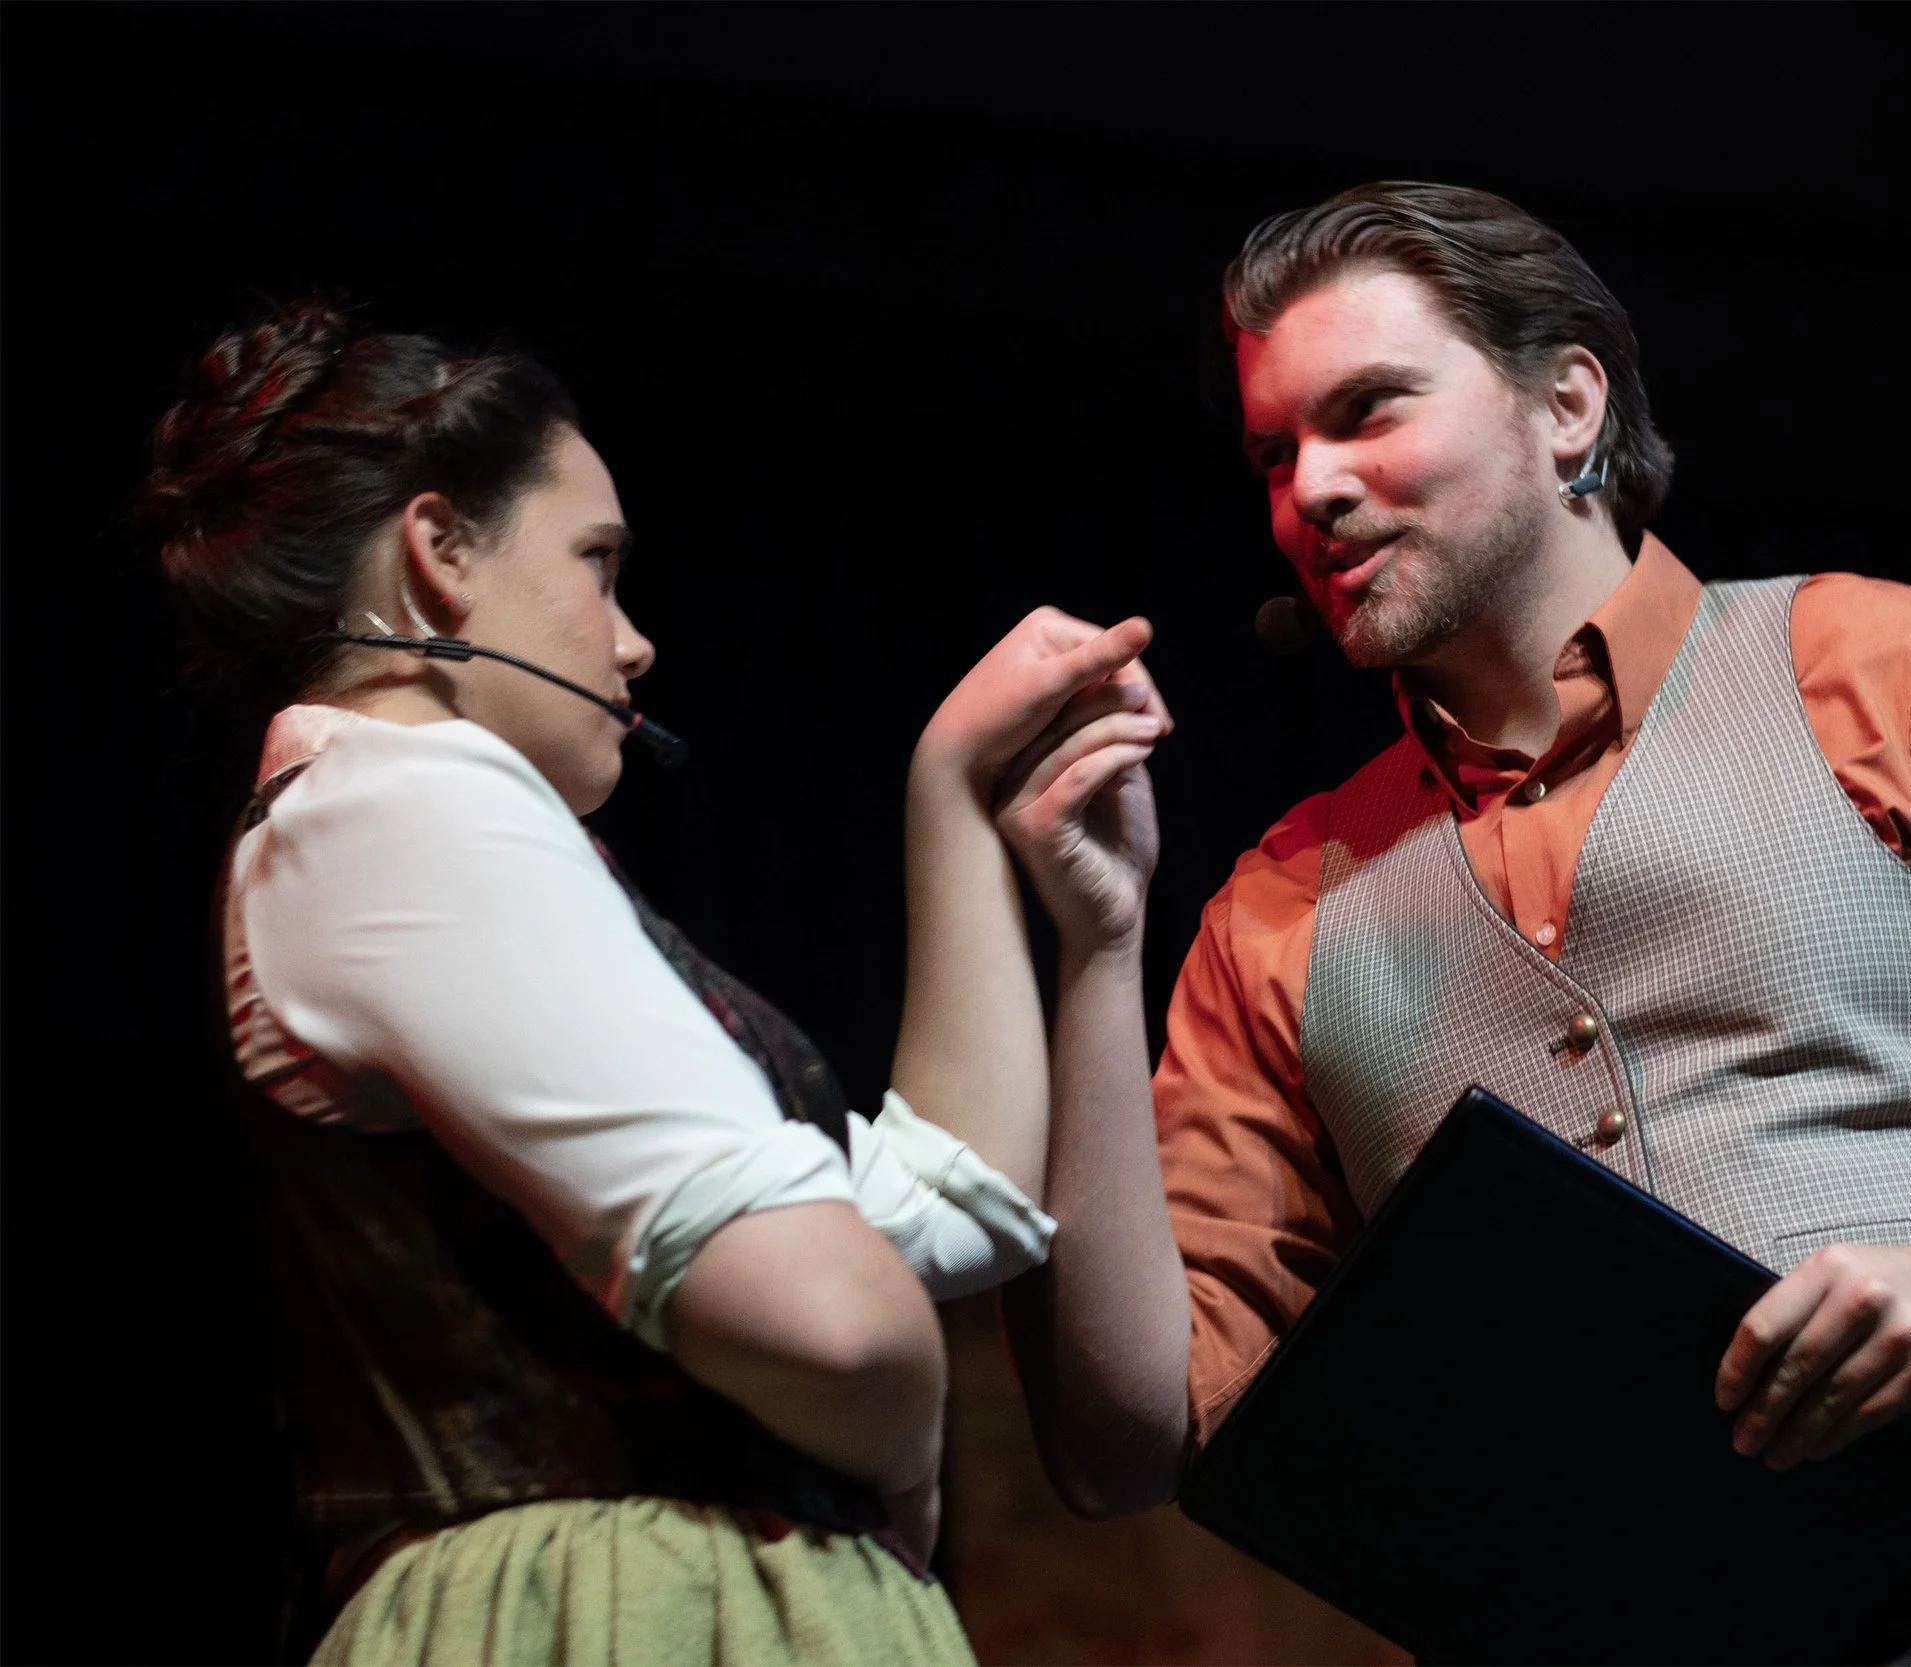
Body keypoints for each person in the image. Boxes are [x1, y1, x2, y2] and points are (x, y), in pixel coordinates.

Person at [998, 183, 1911, 1662]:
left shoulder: (1884, 668)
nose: (1312, 491)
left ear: (1568, 405)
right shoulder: (1277, 906)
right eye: (1275, 453)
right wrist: (1094, 946)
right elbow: (1125, 1441)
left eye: (1369, 411)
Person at [139, 298, 1168, 1666]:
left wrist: (956, 790)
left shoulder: (395, 829)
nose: (634, 643)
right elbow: (845, 1320)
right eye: (597, 563)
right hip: (613, 1618)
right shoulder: (396, 803)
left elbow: (919, 1225)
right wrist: (902, 1456)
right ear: (440, 553)